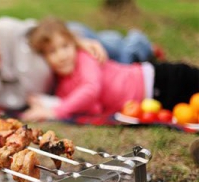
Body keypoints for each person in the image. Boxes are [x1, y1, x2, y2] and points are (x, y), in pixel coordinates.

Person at [0, 6, 155, 126]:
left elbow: (48, 32)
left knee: (124, 53)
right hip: (67, 82)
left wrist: (76, 42)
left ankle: (137, 39)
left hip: (70, 49)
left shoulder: (7, 30)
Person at [21, 16, 199, 121]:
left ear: (74, 44)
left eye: (65, 46)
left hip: (157, 78)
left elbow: (91, 90)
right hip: (154, 100)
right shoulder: (64, 86)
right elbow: (95, 108)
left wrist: (55, 111)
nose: (62, 55)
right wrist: (44, 103)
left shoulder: (85, 58)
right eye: (52, 51)